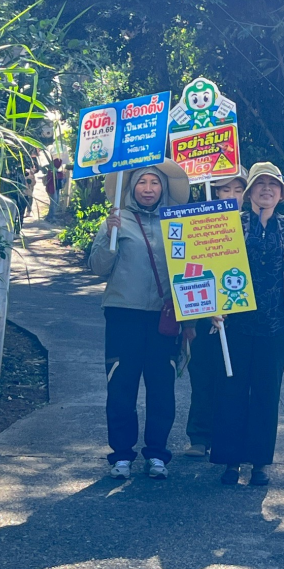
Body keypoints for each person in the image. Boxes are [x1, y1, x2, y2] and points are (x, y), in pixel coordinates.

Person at [210, 162, 284, 487]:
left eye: (273, 185)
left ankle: (260, 463)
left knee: (267, 394)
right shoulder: (232, 224)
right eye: (260, 184)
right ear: (250, 190)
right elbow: (212, 266)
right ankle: (230, 461)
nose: (266, 189)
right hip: (236, 323)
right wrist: (213, 307)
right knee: (232, 391)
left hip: (275, 325)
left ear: (281, 193)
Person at [89, 160, 190, 480]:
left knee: (162, 389)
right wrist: (110, 234)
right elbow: (98, 267)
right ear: (131, 187)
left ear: (163, 188)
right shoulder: (116, 221)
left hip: (164, 318)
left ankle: (157, 454)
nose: (148, 188)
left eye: (155, 183)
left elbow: (192, 270)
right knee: (121, 387)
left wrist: (193, 321)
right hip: (123, 315)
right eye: (142, 182)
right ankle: (121, 455)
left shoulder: (177, 223)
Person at [183, 167, 248, 458]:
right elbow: (187, 270)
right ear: (214, 192)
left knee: (233, 381)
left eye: (237, 190)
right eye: (225, 190)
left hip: (243, 318)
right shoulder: (199, 222)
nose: (231, 196)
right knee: (202, 375)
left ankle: (227, 437)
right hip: (204, 314)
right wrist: (195, 316)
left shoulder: (253, 224)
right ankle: (199, 435)